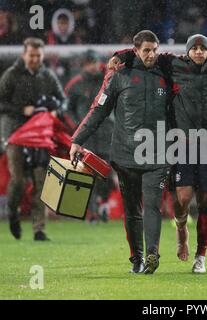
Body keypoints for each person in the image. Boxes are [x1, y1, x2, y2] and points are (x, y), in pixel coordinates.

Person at [110, 34, 207, 273]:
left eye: (202, 48)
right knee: (183, 199)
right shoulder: (172, 63)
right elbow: (143, 52)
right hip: (181, 142)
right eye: (194, 48)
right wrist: (120, 55)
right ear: (187, 52)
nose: (198, 52)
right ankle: (181, 227)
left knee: (205, 199)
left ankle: (201, 256)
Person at [70, 30, 171, 274]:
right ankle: (136, 258)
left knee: (152, 206)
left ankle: (151, 254)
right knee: (132, 209)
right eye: (146, 50)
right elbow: (98, 110)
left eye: (155, 49)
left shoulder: (167, 73)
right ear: (136, 51)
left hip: (158, 153)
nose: (152, 54)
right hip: (126, 154)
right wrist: (77, 140)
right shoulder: (118, 76)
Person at [0, 37, 67, 241]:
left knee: (41, 180)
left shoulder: (48, 76)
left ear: (43, 55)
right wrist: (21, 110)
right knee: (19, 180)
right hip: (15, 132)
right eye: (32, 55)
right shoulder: (11, 75)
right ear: (24, 54)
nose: (35, 59)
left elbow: (63, 100)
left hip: (40, 135)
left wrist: (57, 110)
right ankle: (13, 212)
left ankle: (39, 229)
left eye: (38, 55)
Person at [65, 49, 113, 223]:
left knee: (106, 173)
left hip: (107, 133)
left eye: (94, 62)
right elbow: (67, 110)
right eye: (89, 63)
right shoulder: (75, 85)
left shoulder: (108, 81)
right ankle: (92, 213)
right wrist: (77, 127)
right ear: (83, 65)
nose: (92, 66)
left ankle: (104, 205)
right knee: (87, 175)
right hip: (87, 138)